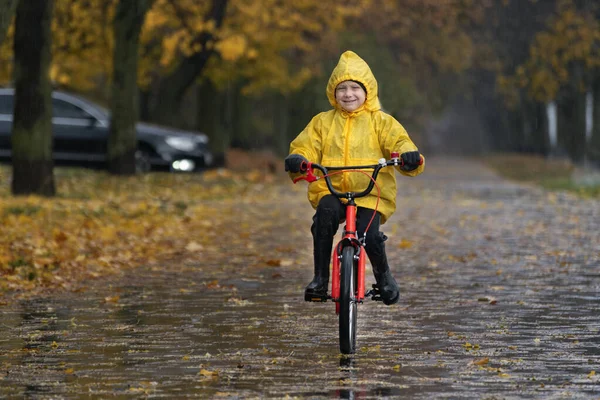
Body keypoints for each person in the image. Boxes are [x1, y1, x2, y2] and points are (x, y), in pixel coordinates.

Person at [284, 50, 425, 305]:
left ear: (367, 91)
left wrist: (407, 154)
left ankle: (384, 278)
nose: (348, 94)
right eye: (342, 89)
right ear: (333, 93)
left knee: (370, 235)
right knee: (324, 218)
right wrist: (298, 157)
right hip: (332, 190)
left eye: (354, 88)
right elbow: (306, 146)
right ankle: (320, 279)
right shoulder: (322, 122)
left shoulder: (381, 122)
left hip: (370, 194)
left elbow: (399, 141)